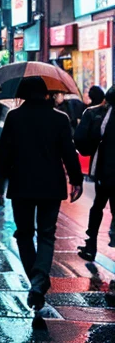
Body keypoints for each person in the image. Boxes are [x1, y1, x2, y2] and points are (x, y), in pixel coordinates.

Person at [0, 76, 83, 312]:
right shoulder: (60, 118)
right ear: (46, 94)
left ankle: (35, 280)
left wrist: (1, 177)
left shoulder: (14, 118)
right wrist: (76, 180)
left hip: (21, 184)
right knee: (46, 234)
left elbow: (4, 152)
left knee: (24, 234)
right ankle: (38, 279)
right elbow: (69, 152)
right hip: (50, 185)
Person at [75, 85, 115, 259]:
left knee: (98, 205)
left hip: (105, 170)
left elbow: (85, 140)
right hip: (106, 170)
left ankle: (91, 244)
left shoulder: (101, 115)